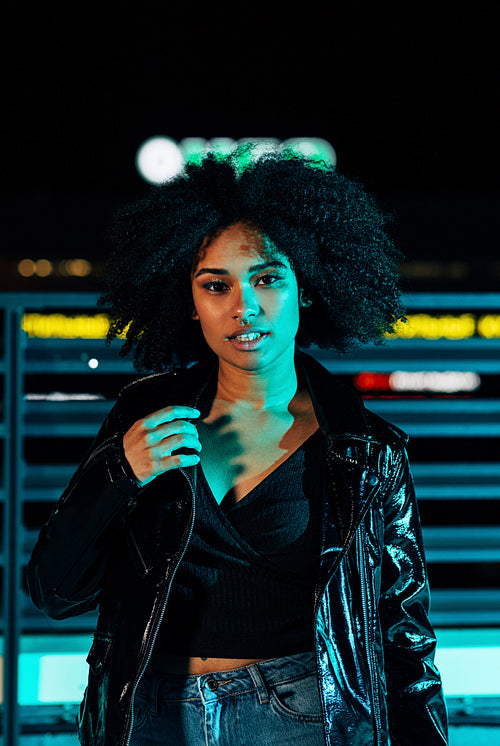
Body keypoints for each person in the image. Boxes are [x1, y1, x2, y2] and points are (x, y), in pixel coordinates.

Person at [27, 152, 448, 745]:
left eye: (268, 278)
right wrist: (121, 472)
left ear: (309, 288)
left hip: (301, 720)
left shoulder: (364, 449)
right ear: (188, 300)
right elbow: (54, 591)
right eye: (215, 284)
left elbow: (404, 639)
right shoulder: (143, 419)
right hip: (149, 714)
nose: (243, 306)